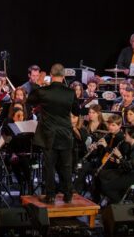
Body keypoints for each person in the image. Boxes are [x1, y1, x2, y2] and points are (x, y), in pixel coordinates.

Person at [27, 63, 80, 204]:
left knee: (49, 166)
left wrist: (37, 84)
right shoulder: (70, 92)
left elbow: (30, 100)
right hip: (65, 134)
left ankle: (50, 196)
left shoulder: (44, 91)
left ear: (51, 75)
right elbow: (77, 112)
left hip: (48, 134)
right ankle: (68, 194)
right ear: (64, 76)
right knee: (66, 166)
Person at [97, 126, 134, 205]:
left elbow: (129, 166)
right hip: (127, 172)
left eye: (126, 134)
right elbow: (125, 162)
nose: (124, 135)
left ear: (132, 135)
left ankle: (118, 202)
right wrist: (117, 160)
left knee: (106, 187)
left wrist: (119, 157)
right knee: (101, 174)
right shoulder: (130, 145)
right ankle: (112, 198)